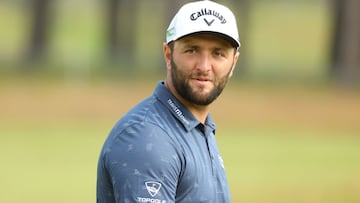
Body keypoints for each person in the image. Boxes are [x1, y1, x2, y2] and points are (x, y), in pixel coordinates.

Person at [97, 0, 240, 202]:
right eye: (192, 50)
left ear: (233, 63)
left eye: (218, 54)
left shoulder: (199, 128)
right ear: (168, 54)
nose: (204, 66)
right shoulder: (147, 137)